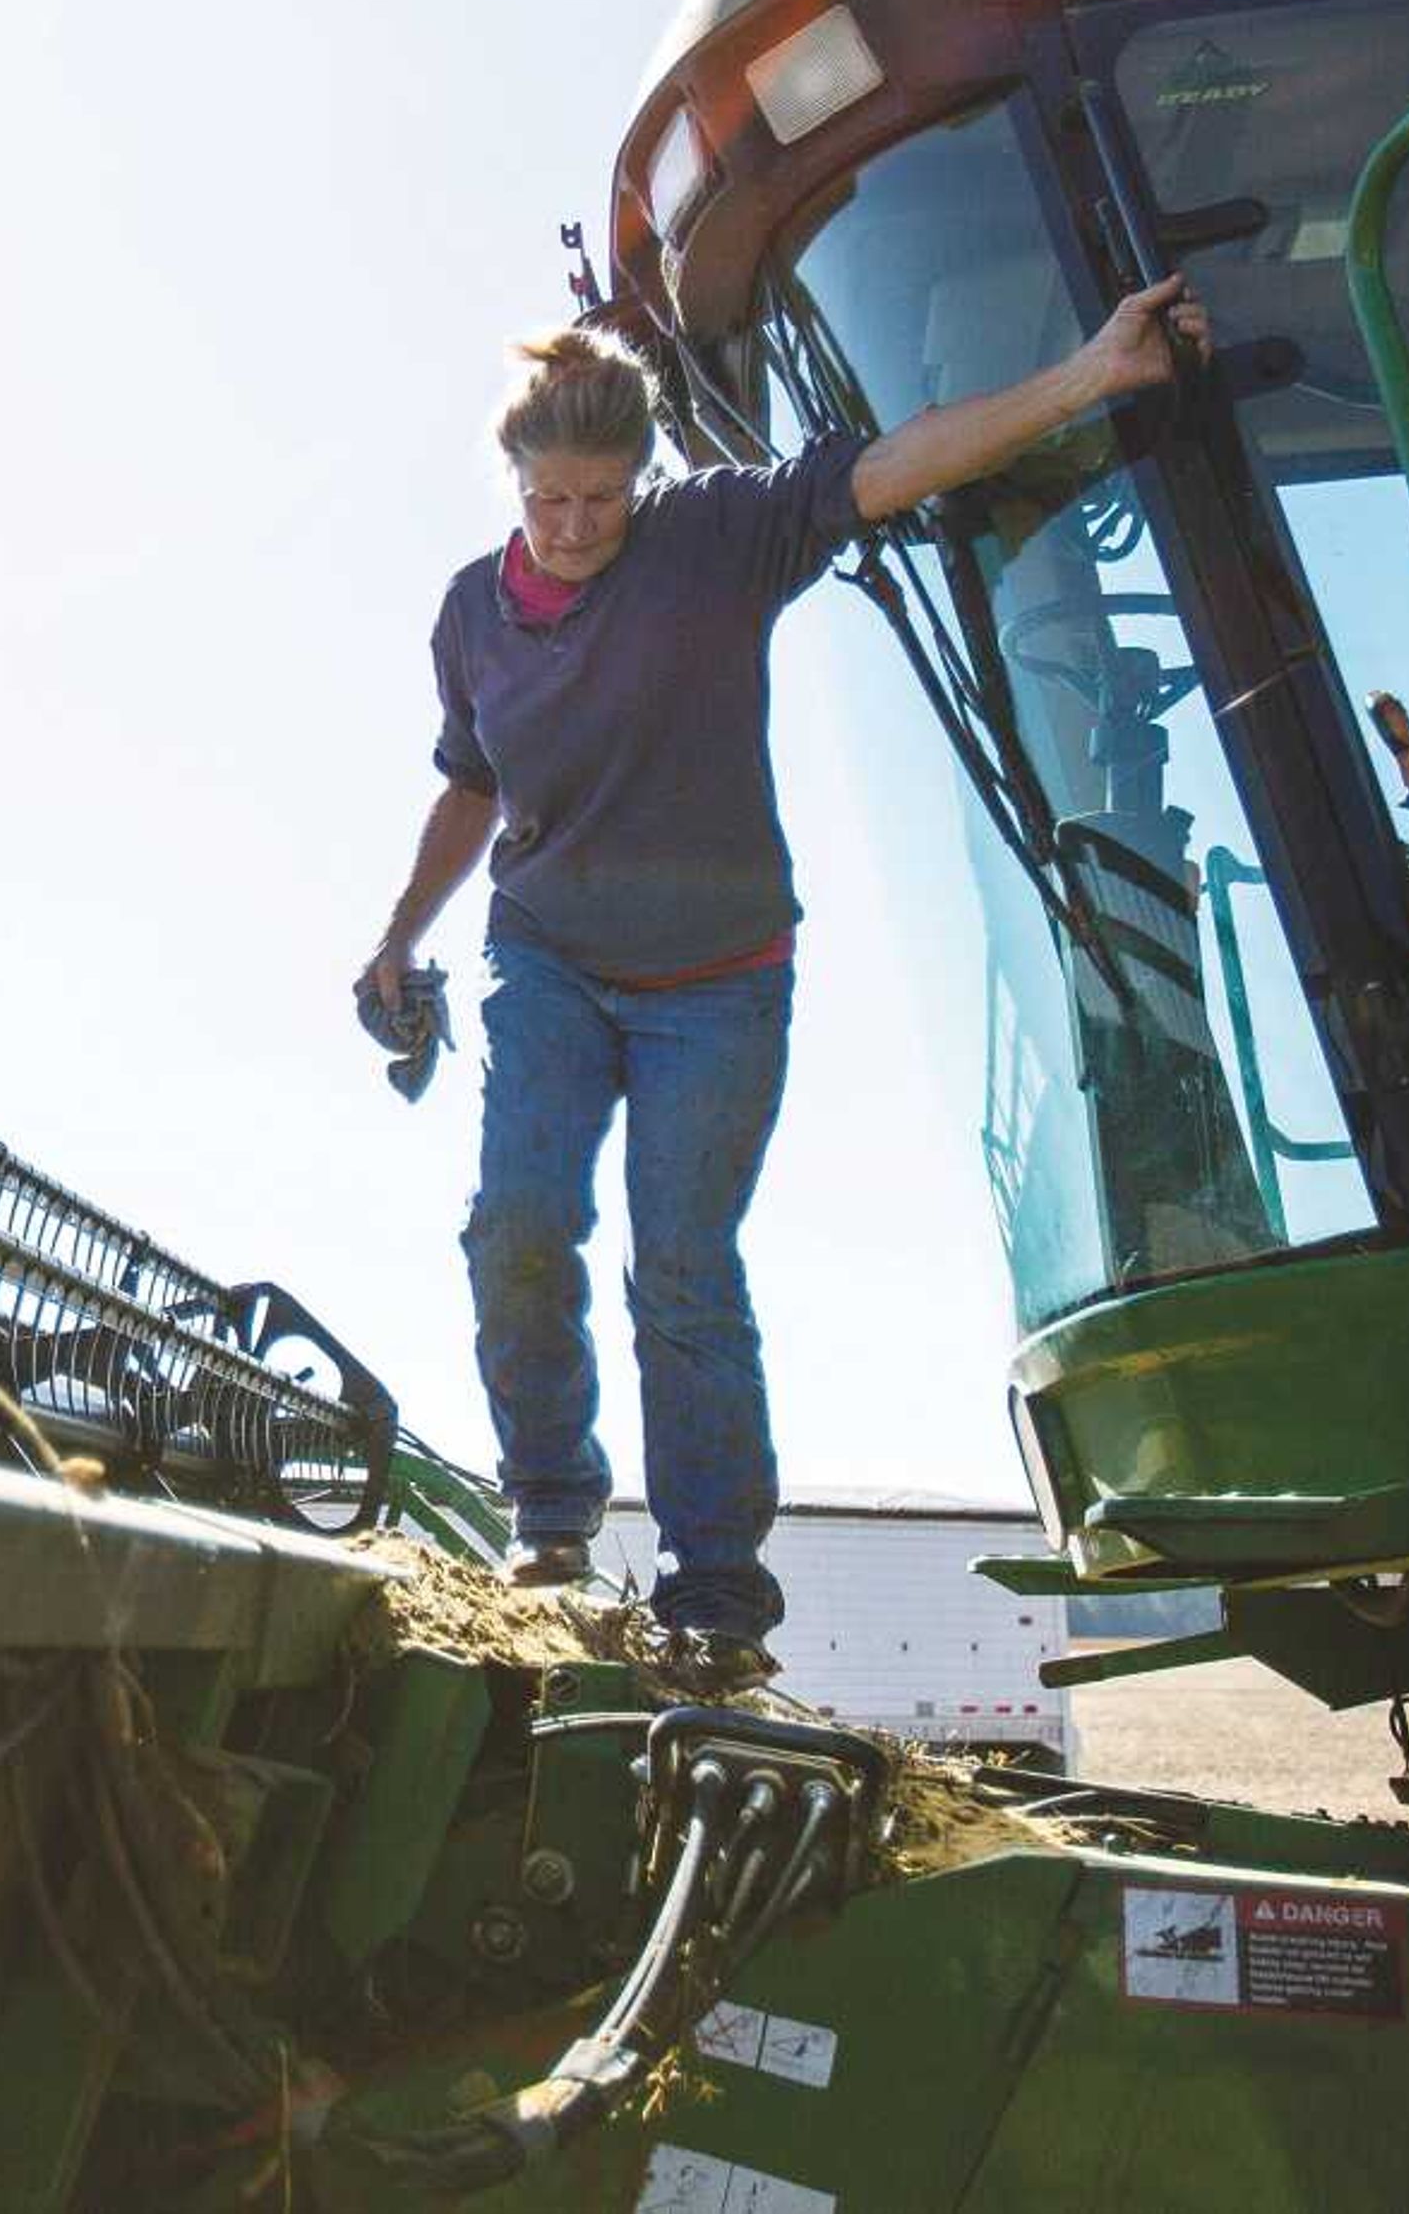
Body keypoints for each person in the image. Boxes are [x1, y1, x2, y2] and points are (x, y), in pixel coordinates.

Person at [360, 275, 1212, 1676]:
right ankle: (553, 1514)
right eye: (547, 501)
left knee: (681, 1269)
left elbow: (892, 464)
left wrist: (1085, 379)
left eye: (600, 498)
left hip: (719, 981)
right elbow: (471, 782)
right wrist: (399, 928)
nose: (573, 528)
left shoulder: (716, 538)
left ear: (641, 477)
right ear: (512, 481)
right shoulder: (470, 614)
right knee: (516, 1215)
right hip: (549, 953)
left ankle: (713, 1596)